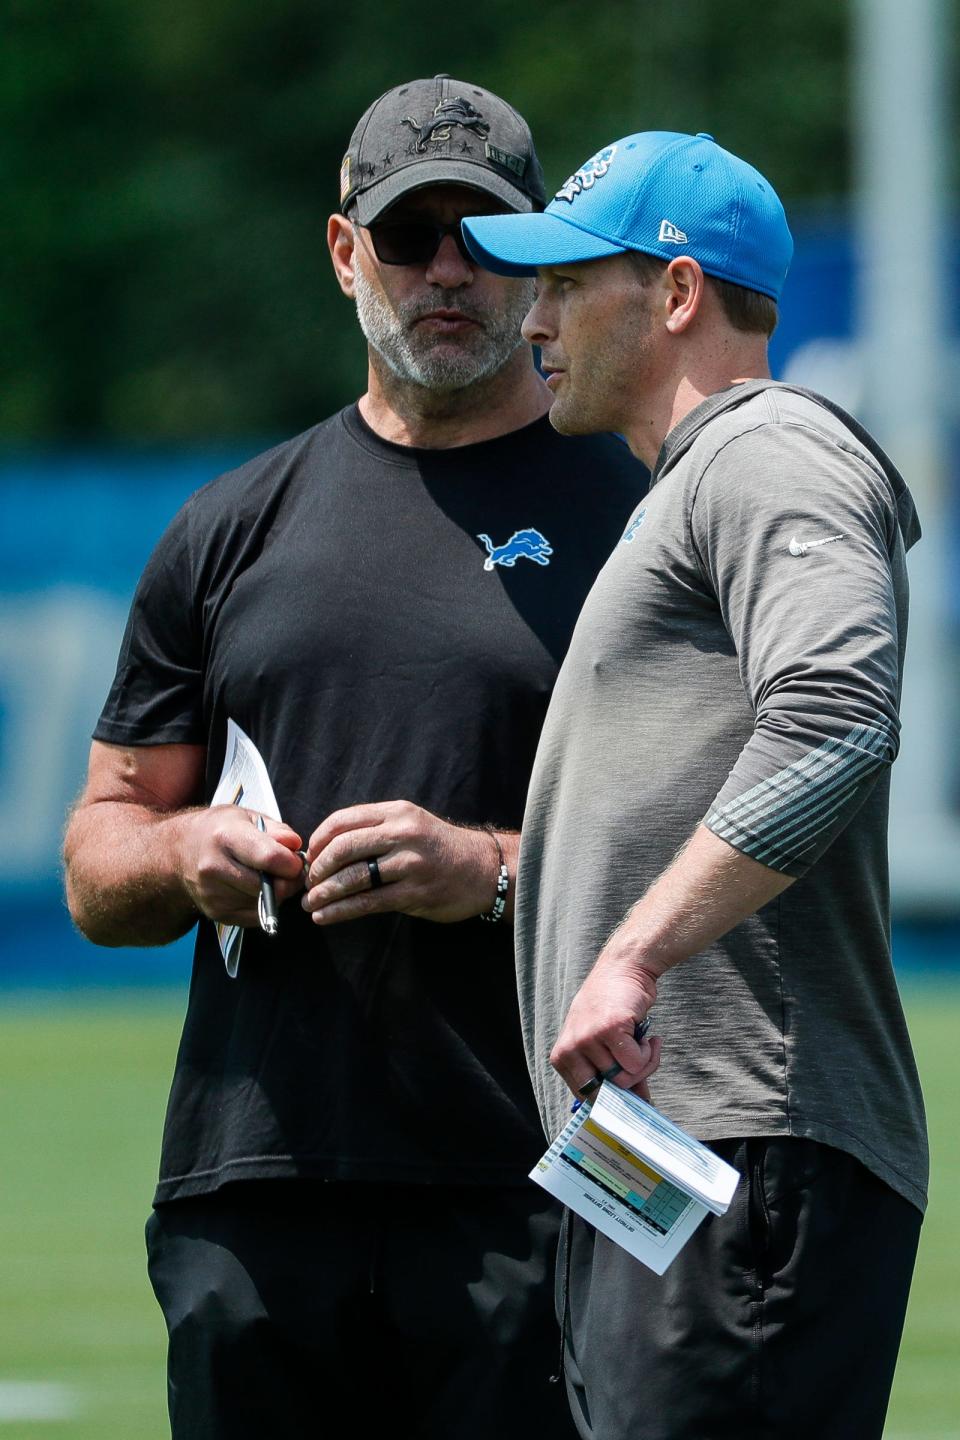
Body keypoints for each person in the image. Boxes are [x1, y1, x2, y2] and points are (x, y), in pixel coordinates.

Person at [62, 78, 646, 1440]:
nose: (447, 269)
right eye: (409, 235)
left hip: (542, 1179)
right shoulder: (229, 528)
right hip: (252, 1192)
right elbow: (99, 855)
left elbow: (728, 851)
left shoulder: (639, 517)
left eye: (486, 236)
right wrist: (182, 852)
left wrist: (491, 873)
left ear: (542, 261)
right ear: (344, 254)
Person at [463, 131, 928, 1439]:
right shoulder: (690, 485)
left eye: (566, 284)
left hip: (748, 1148)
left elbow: (836, 721)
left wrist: (633, 953)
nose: (532, 319)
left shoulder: (768, 446)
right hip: (674, 1153)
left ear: (675, 295)